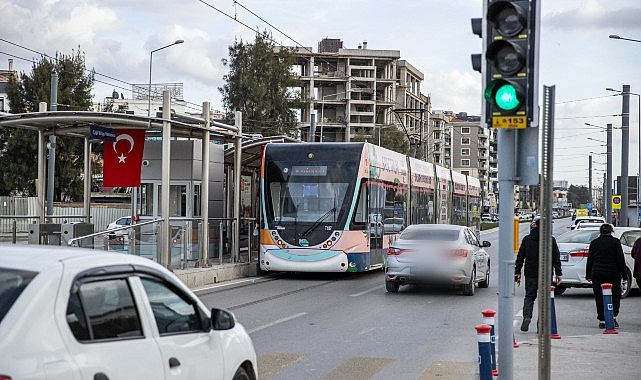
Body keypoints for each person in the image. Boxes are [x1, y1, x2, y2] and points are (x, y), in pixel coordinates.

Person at [514, 217, 563, 332]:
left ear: (535, 226)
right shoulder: (550, 240)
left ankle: (527, 316)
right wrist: (559, 273)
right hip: (545, 275)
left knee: (529, 297)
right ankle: (541, 324)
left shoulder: (527, 239)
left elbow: (520, 257)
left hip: (530, 274)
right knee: (544, 299)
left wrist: (517, 272)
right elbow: (556, 258)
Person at [586, 223, 627, 329]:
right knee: (615, 295)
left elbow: (590, 260)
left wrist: (588, 275)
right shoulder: (615, 242)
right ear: (611, 231)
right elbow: (620, 260)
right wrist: (624, 275)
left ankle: (602, 320)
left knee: (599, 296)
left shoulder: (594, 243)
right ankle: (613, 318)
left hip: (598, 273)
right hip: (613, 273)